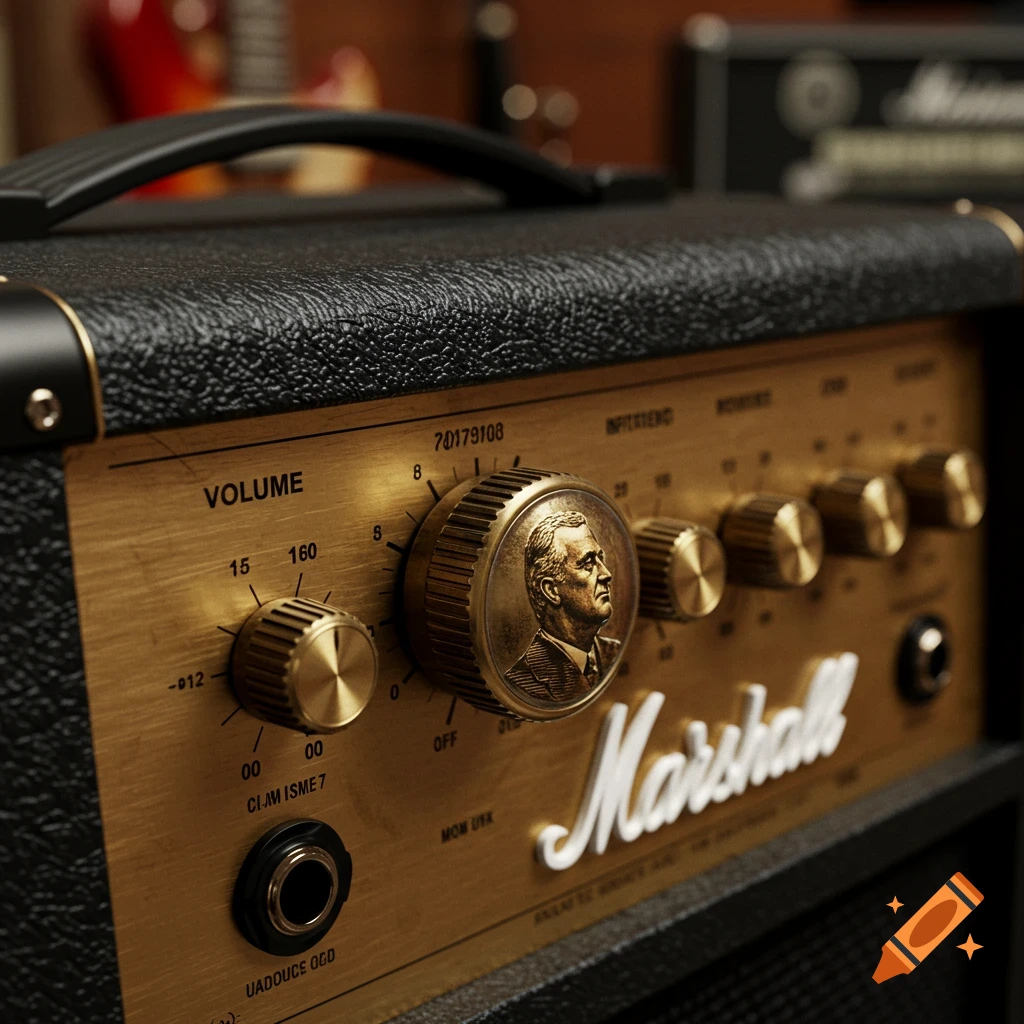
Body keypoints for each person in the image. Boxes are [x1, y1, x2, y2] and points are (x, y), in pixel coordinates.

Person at [505, 509, 620, 702]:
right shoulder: (522, 681)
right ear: (551, 590)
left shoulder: (613, 653)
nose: (606, 574)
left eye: (601, 559)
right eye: (588, 564)